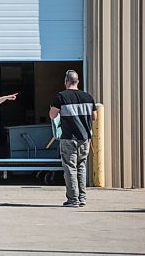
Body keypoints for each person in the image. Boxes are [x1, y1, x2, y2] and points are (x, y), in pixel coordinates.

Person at [49, 70, 97, 208]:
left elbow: (53, 115)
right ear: (78, 81)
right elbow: (94, 117)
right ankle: (82, 198)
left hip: (69, 138)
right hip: (85, 138)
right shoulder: (88, 97)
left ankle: (73, 199)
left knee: (70, 168)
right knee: (81, 167)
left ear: (66, 81)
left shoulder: (61, 97)